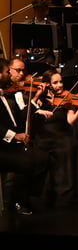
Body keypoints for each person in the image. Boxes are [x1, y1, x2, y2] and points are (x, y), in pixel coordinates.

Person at [30, 69, 78, 206]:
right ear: (47, 84)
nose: (60, 85)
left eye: (60, 82)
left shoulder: (67, 98)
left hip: (61, 134)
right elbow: (30, 113)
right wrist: (37, 97)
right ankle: (61, 192)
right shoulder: (39, 98)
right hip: (44, 136)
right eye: (55, 83)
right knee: (66, 146)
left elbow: (71, 121)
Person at [0, 59, 49, 215]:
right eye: (8, 72)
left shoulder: (7, 92)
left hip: (10, 144)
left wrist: (35, 106)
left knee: (43, 158)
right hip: (2, 146)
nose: (10, 75)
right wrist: (16, 136)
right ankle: (15, 202)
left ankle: (26, 197)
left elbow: (21, 116)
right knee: (27, 162)